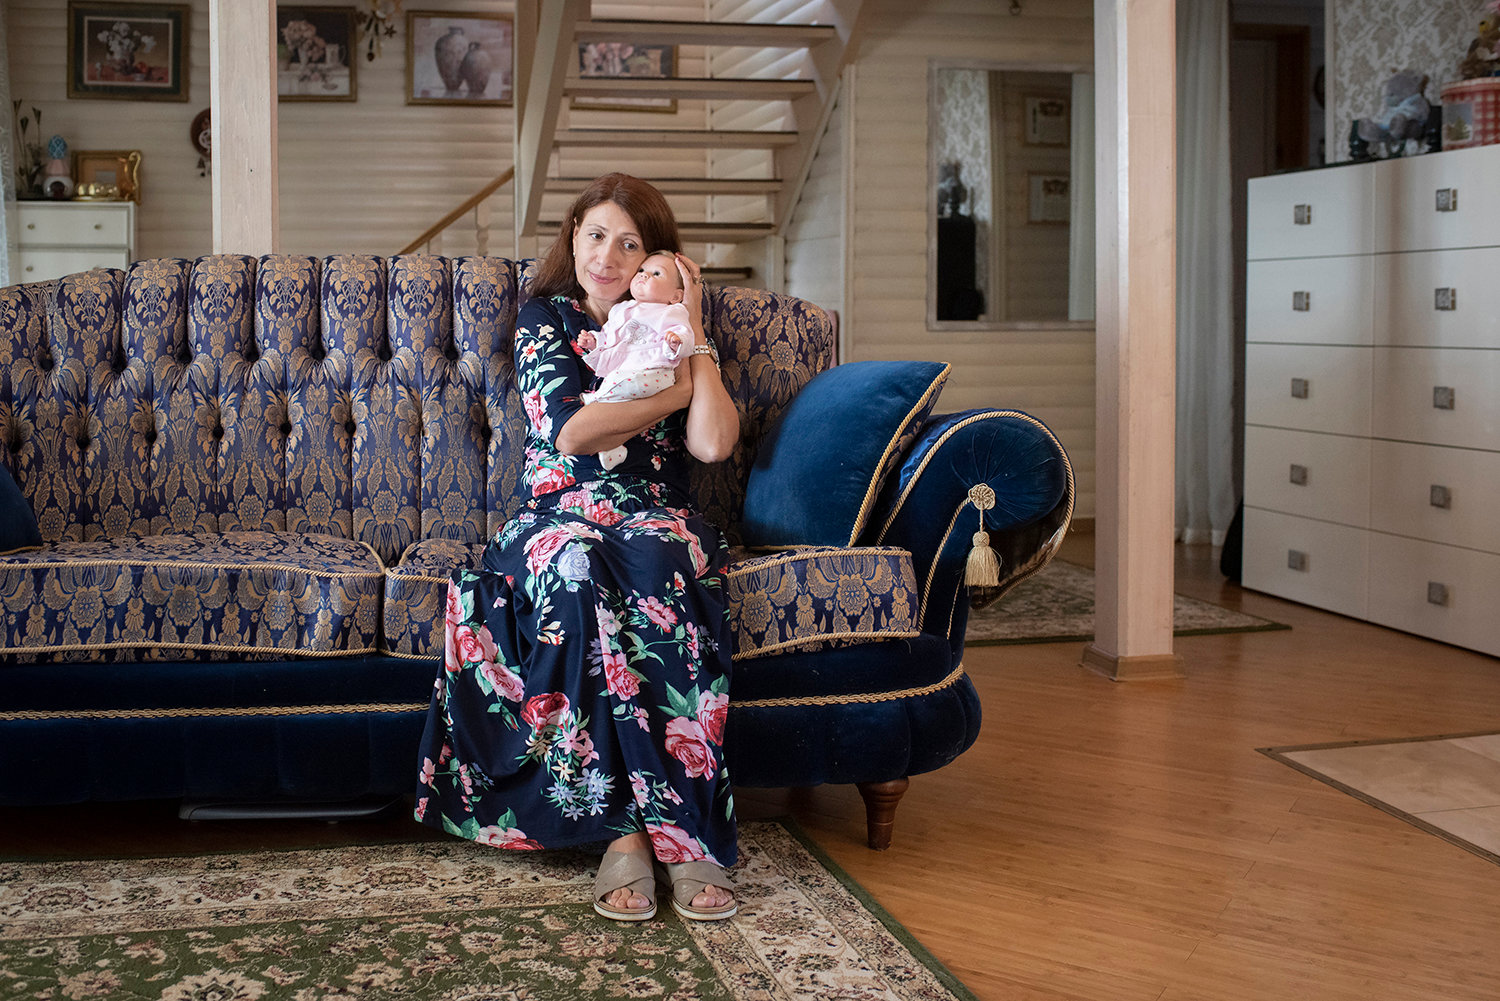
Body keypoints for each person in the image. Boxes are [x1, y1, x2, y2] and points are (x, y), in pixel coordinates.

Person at [414, 173, 742, 923]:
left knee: (661, 562)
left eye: (630, 243)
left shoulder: (672, 326)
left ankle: (682, 835)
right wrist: (667, 393)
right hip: (556, 512)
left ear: (656, 259)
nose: (608, 254)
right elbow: (573, 433)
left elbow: (714, 442)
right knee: (574, 566)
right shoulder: (544, 318)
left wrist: (693, 333)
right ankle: (624, 829)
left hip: (653, 511)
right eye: (596, 234)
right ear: (572, 239)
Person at [577, 250, 695, 469]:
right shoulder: (621, 309)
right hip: (628, 369)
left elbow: (686, 335)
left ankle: (597, 399)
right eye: (641, 270)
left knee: (623, 386)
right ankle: (613, 447)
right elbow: (611, 335)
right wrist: (594, 341)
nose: (644, 275)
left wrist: (676, 342)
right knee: (618, 398)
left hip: (655, 370)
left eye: (657, 274)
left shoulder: (670, 312)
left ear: (676, 296)